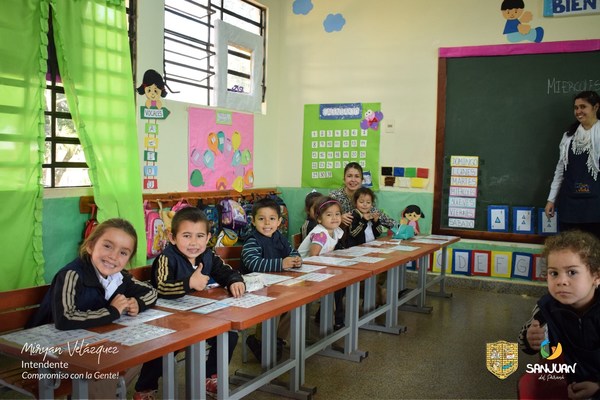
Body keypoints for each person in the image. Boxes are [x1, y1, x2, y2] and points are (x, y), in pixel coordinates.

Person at [27, 218, 158, 399]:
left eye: (123, 252)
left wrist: (138, 303)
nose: (113, 256)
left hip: (90, 345)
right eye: (107, 246)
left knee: (140, 351)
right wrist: (112, 312)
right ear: (90, 246)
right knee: (104, 366)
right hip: (49, 351)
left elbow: (150, 291)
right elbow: (65, 318)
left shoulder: (119, 277)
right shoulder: (72, 275)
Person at [134, 207, 245, 400]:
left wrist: (234, 280)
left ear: (208, 237)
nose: (194, 243)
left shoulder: (208, 256)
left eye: (200, 236)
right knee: (165, 347)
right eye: (186, 236)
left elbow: (226, 271)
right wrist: (189, 283)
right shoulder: (166, 259)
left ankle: (209, 378)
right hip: (169, 320)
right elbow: (159, 288)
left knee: (228, 335)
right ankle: (145, 388)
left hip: (199, 316)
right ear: (172, 237)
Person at [518, 230, 600, 400]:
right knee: (528, 385)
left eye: (572, 272)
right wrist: (529, 338)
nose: (561, 281)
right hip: (564, 381)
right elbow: (525, 342)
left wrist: (598, 387)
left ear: (596, 276)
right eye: (553, 273)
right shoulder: (546, 307)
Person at [240, 197, 302, 362]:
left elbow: (293, 251)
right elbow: (253, 263)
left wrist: (296, 259)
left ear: (279, 221)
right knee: (274, 306)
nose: (267, 223)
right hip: (255, 289)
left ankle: (277, 339)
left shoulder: (280, 238)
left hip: (277, 285)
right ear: (253, 221)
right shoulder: (252, 241)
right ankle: (261, 341)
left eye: (272, 219)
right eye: (261, 219)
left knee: (295, 303)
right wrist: (281, 264)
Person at [545, 91, 600, 238]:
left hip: (595, 206)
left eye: (583, 106)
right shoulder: (568, 136)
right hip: (569, 205)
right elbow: (560, 170)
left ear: (595, 107)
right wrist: (551, 199)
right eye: (576, 107)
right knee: (569, 248)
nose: (578, 111)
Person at [298, 197, 346, 329]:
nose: (334, 218)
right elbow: (314, 256)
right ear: (319, 219)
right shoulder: (320, 233)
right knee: (337, 284)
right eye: (329, 215)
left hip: (317, 269)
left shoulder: (335, 231)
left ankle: (331, 316)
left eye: (337, 214)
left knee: (341, 283)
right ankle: (335, 319)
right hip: (304, 270)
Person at [329, 162, 396, 229]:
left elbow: (382, 218)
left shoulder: (366, 196)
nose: (353, 180)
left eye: (357, 176)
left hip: (362, 237)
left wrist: (399, 227)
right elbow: (324, 218)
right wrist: (339, 219)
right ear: (344, 179)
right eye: (349, 176)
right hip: (339, 236)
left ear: (362, 180)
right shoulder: (334, 196)